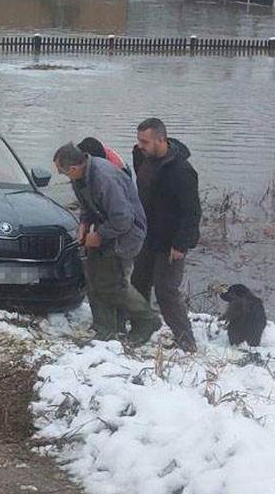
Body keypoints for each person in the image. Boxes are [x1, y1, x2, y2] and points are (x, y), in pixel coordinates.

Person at [54, 142, 160, 346]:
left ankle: (147, 320)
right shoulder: (80, 178)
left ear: (74, 168)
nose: (61, 175)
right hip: (106, 228)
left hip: (125, 235)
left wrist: (100, 235)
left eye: (62, 171)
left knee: (114, 284)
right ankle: (106, 329)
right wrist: (84, 225)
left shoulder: (105, 178)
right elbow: (87, 207)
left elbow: (123, 218)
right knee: (93, 279)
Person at [131, 117, 200, 353]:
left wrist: (181, 245)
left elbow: (192, 212)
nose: (140, 146)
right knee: (137, 283)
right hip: (146, 236)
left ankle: (186, 340)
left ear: (162, 140)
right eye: (139, 140)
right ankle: (142, 327)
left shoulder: (182, 171)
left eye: (145, 141)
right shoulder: (142, 156)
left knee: (166, 291)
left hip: (171, 242)